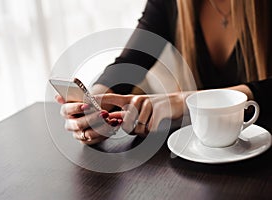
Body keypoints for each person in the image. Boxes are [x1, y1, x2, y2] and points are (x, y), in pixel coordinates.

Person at [56, 0, 272, 144]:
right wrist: (95, 103)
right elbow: (130, 61)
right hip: (209, 155)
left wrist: (187, 101)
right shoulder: (172, 4)